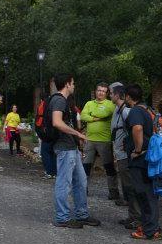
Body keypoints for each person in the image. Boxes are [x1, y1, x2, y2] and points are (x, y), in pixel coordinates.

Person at [50, 73, 98, 228]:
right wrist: (77, 133)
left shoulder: (63, 100)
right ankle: (62, 218)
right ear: (67, 84)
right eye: (73, 83)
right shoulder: (58, 100)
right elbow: (56, 122)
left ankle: (81, 214)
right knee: (64, 183)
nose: (74, 85)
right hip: (64, 148)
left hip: (71, 147)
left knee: (81, 181)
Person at [124, 84, 162, 240]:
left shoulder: (136, 111)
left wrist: (137, 150)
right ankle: (151, 226)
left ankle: (150, 230)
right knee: (148, 193)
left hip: (141, 159)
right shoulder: (147, 109)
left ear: (128, 96)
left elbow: (137, 129)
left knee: (143, 193)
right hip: (150, 157)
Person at [80, 82, 120, 202]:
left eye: (103, 91)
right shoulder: (89, 103)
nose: (101, 92)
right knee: (86, 166)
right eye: (99, 90)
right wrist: (97, 118)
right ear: (95, 91)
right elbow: (83, 116)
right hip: (90, 140)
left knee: (109, 167)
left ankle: (113, 192)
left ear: (107, 93)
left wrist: (91, 115)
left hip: (105, 141)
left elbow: (106, 113)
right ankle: (82, 190)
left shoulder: (110, 104)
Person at [110, 82, 141, 228]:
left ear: (117, 95)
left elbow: (134, 130)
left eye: (111, 93)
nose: (109, 95)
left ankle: (137, 217)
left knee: (130, 186)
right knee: (128, 185)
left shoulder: (126, 111)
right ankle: (132, 215)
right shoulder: (118, 108)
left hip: (125, 154)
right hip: (120, 152)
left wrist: (134, 150)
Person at [35, 79, 58, 179]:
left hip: (46, 131)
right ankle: (54, 172)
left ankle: (49, 172)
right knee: (53, 152)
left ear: (41, 99)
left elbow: (41, 118)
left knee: (45, 152)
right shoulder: (54, 102)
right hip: (55, 130)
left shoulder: (43, 104)